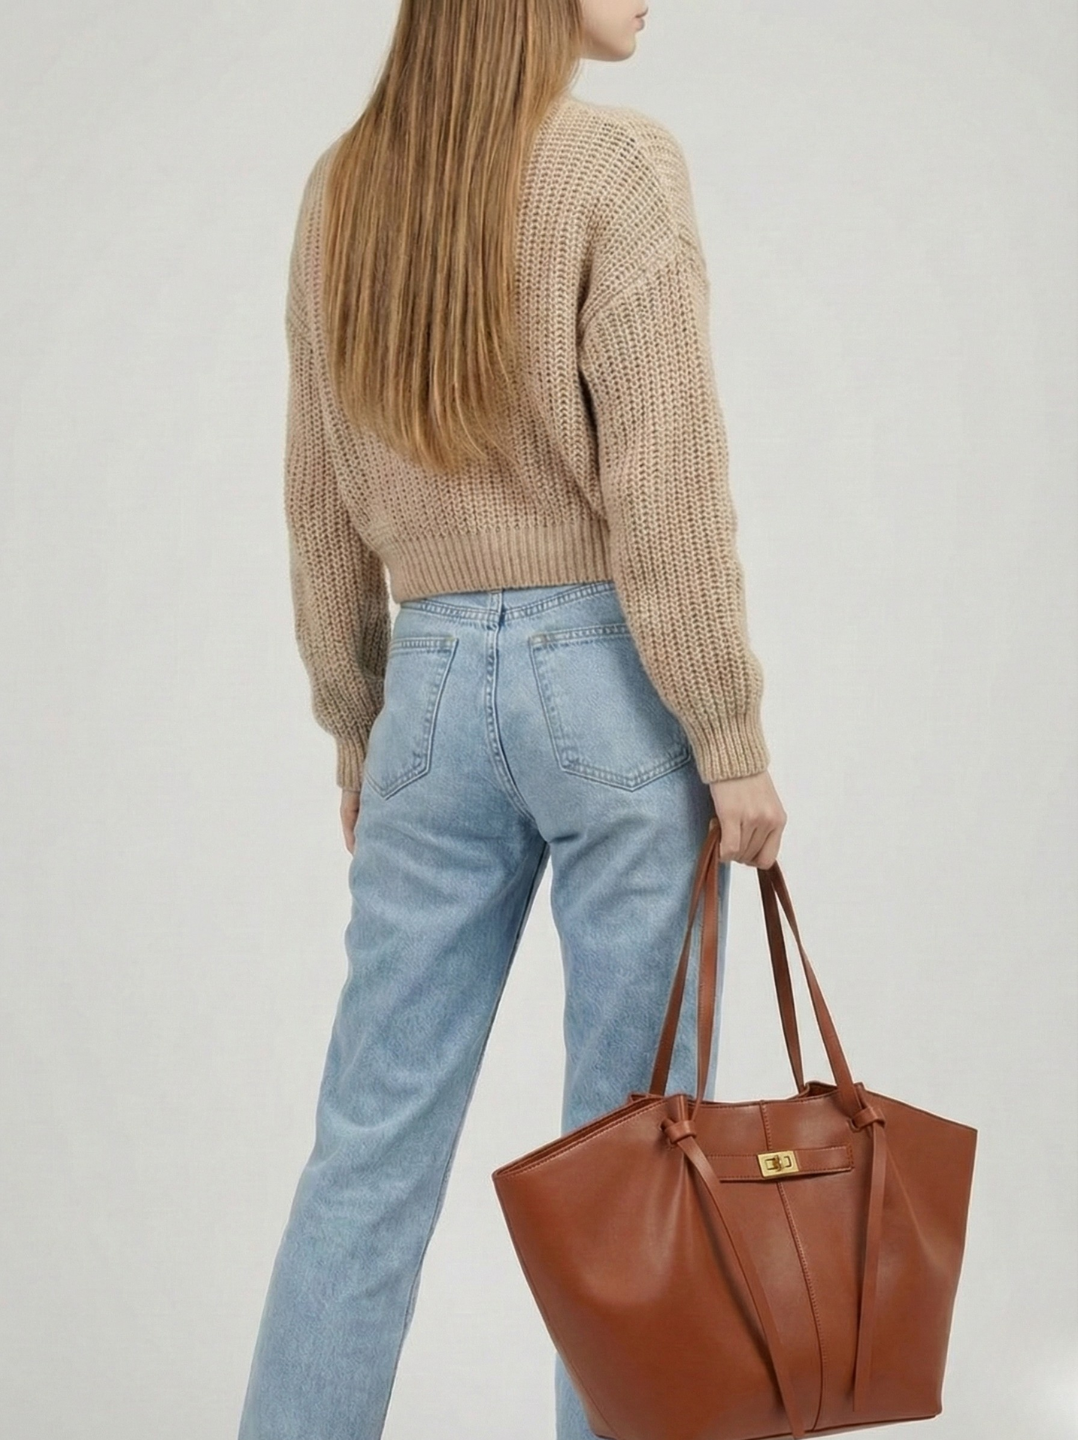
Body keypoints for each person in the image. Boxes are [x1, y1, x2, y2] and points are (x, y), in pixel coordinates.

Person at [237, 0, 787, 1435]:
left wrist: (356, 723)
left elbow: (315, 495)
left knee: (367, 1148)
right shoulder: (614, 167)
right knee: (635, 1156)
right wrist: (728, 735)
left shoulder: (345, 188)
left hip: (425, 693)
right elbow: (666, 489)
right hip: (611, 687)